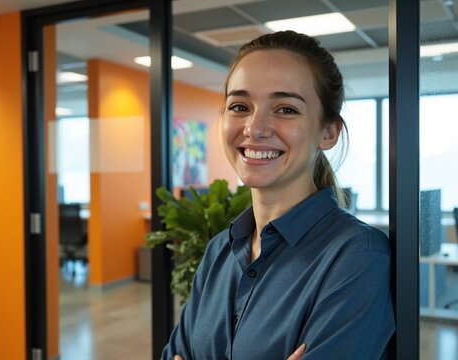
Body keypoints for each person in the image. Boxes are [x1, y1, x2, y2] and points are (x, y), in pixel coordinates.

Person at [162, 30, 395, 360]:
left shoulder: (357, 256)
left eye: (286, 109)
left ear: (328, 132)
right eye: (239, 106)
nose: (255, 128)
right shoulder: (219, 251)